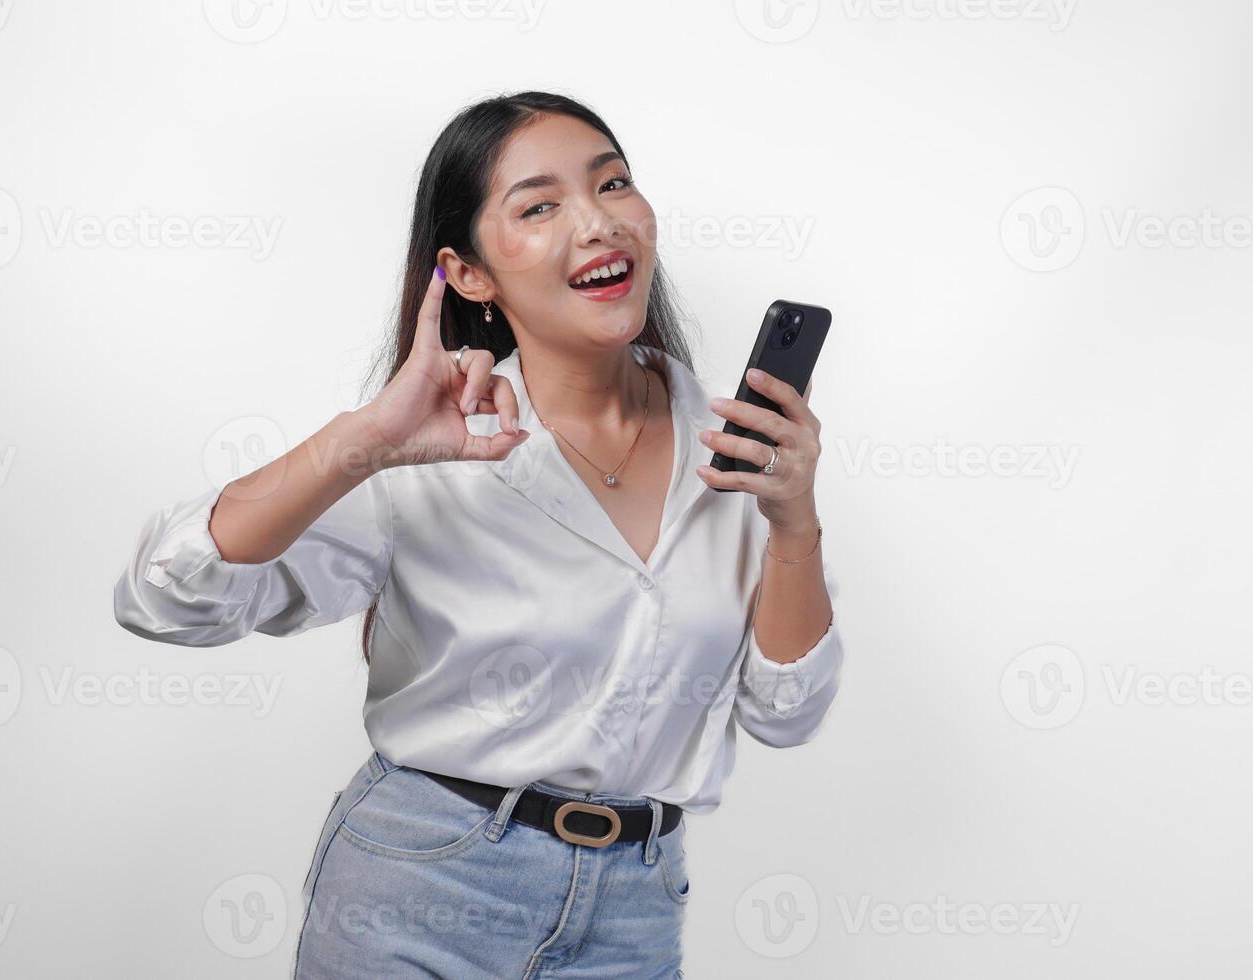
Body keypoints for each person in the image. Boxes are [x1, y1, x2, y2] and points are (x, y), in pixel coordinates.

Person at [112, 90, 844, 980]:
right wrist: (361, 443)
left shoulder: (732, 449)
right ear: (468, 274)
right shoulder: (427, 446)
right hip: (423, 891)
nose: (598, 223)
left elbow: (786, 713)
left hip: (635, 912)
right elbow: (166, 599)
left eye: (613, 185)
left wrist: (793, 519)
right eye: (539, 206)